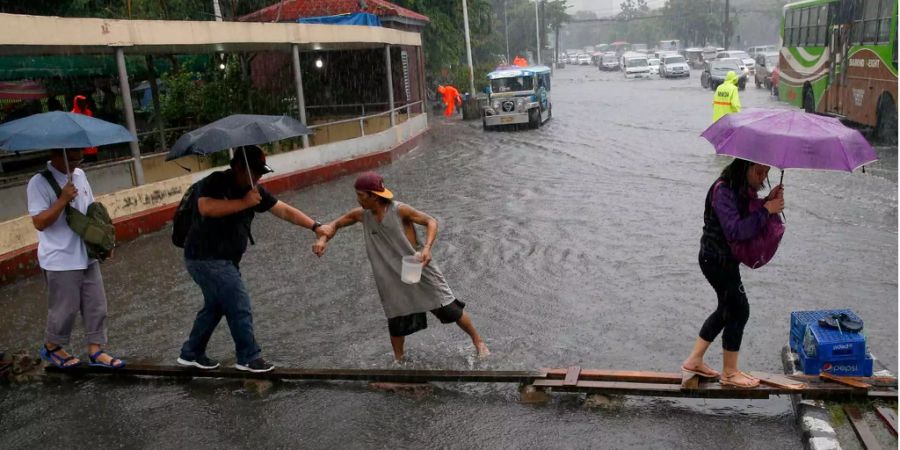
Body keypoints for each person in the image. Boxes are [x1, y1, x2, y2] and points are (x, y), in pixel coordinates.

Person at [177, 146, 332, 373]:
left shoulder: (253, 190)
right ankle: (249, 357)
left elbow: (284, 210)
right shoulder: (215, 182)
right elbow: (206, 207)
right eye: (256, 172)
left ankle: (191, 353)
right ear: (239, 168)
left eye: (261, 173)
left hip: (225, 260)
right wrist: (244, 203)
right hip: (205, 258)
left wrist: (315, 226)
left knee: (216, 306)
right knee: (238, 304)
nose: (259, 178)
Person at [312, 172, 489, 362]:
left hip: (417, 266)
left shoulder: (399, 210)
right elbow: (333, 226)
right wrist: (322, 240)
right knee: (395, 315)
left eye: (361, 195)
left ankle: (479, 342)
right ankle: (399, 360)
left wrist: (427, 248)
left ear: (374, 195)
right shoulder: (362, 215)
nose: (358, 199)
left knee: (447, 307)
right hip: (390, 274)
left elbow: (431, 221)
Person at [681, 158, 784, 388]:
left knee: (727, 309)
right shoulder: (723, 190)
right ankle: (729, 372)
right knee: (739, 309)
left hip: (724, 259)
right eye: (759, 171)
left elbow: (748, 213)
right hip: (715, 259)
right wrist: (767, 210)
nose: (763, 178)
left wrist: (768, 201)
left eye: (766, 173)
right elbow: (736, 230)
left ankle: (694, 360)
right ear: (745, 167)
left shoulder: (740, 189)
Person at [27, 148, 124, 369]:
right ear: (56, 154)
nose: (76, 163)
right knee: (65, 308)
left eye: (79, 158)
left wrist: (106, 241)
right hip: (60, 257)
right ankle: (52, 347)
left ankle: (96, 350)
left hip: (86, 253)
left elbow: (93, 210)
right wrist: (62, 199)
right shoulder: (38, 183)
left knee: (96, 304)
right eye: (71, 159)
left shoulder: (80, 175)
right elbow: (39, 222)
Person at [70, 95, 99, 162]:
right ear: (77, 103)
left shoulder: (89, 112)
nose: (84, 104)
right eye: (81, 102)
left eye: (84, 102)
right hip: (80, 147)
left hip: (91, 145)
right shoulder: (73, 114)